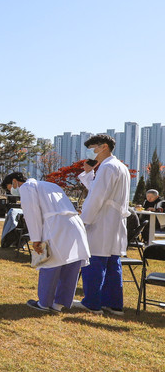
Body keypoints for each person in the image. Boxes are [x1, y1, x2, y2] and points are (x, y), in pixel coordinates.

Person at [1, 172, 89, 312]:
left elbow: (32, 213)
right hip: (74, 225)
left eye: (9, 187)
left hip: (56, 226)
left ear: (15, 181)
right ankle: (58, 304)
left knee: (49, 263)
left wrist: (35, 239)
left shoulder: (27, 187)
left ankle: (44, 303)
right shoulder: (49, 185)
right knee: (70, 264)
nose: (11, 190)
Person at [72, 133, 131, 316]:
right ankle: (113, 304)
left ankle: (92, 303)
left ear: (104, 146)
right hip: (115, 221)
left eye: (94, 148)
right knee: (113, 262)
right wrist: (90, 174)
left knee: (94, 260)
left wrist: (84, 220)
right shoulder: (119, 166)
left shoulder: (107, 167)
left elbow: (97, 197)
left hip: (103, 219)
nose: (93, 152)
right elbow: (100, 190)